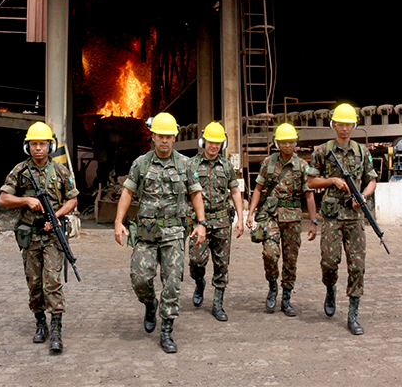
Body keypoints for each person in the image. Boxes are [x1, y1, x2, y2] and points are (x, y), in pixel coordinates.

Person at [114, 112, 207, 354]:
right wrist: (118, 222)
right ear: (152, 136)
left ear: (174, 137)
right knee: (140, 278)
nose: (164, 140)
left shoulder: (186, 164)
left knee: (172, 283)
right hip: (146, 233)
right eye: (160, 136)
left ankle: (166, 330)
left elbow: (196, 193)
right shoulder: (141, 163)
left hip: (174, 234)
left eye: (168, 136)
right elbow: (127, 193)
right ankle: (149, 303)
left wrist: (201, 223)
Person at [0, 121, 79, 354]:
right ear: (28, 147)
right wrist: (25, 200)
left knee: (52, 282)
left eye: (42, 144)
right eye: (34, 144)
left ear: (50, 146)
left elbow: (73, 200)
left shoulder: (61, 171)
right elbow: (3, 199)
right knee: (34, 284)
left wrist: (57, 216)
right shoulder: (20, 171)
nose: (38, 148)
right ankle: (40, 323)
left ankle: (56, 329)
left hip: (52, 236)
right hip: (30, 236)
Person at [307, 103, 378, 335]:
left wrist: (364, 197)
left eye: (348, 125)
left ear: (353, 126)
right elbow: (310, 182)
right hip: (331, 217)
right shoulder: (322, 151)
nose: (344, 129)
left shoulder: (361, 152)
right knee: (329, 262)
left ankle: (353, 315)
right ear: (333, 125)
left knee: (357, 266)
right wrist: (333, 181)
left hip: (354, 217)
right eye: (341, 124)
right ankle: (330, 288)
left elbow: (372, 180)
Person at [246, 123, 318, 317]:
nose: (288, 145)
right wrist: (250, 213)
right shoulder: (269, 162)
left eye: (291, 141)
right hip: (270, 216)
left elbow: (309, 195)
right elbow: (258, 189)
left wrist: (313, 221)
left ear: (296, 142)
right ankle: (272, 287)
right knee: (270, 254)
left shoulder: (302, 165)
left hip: (293, 219)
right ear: (277, 143)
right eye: (284, 142)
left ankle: (286, 297)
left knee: (290, 260)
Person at [188, 122, 244, 321]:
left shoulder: (226, 165)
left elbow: (235, 191)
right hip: (198, 223)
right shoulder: (192, 165)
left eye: (218, 143)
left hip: (221, 222)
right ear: (203, 141)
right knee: (196, 260)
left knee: (221, 264)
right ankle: (199, 282)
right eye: (211, 142)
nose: (214, 146)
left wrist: (240, 218)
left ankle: (218, 304)